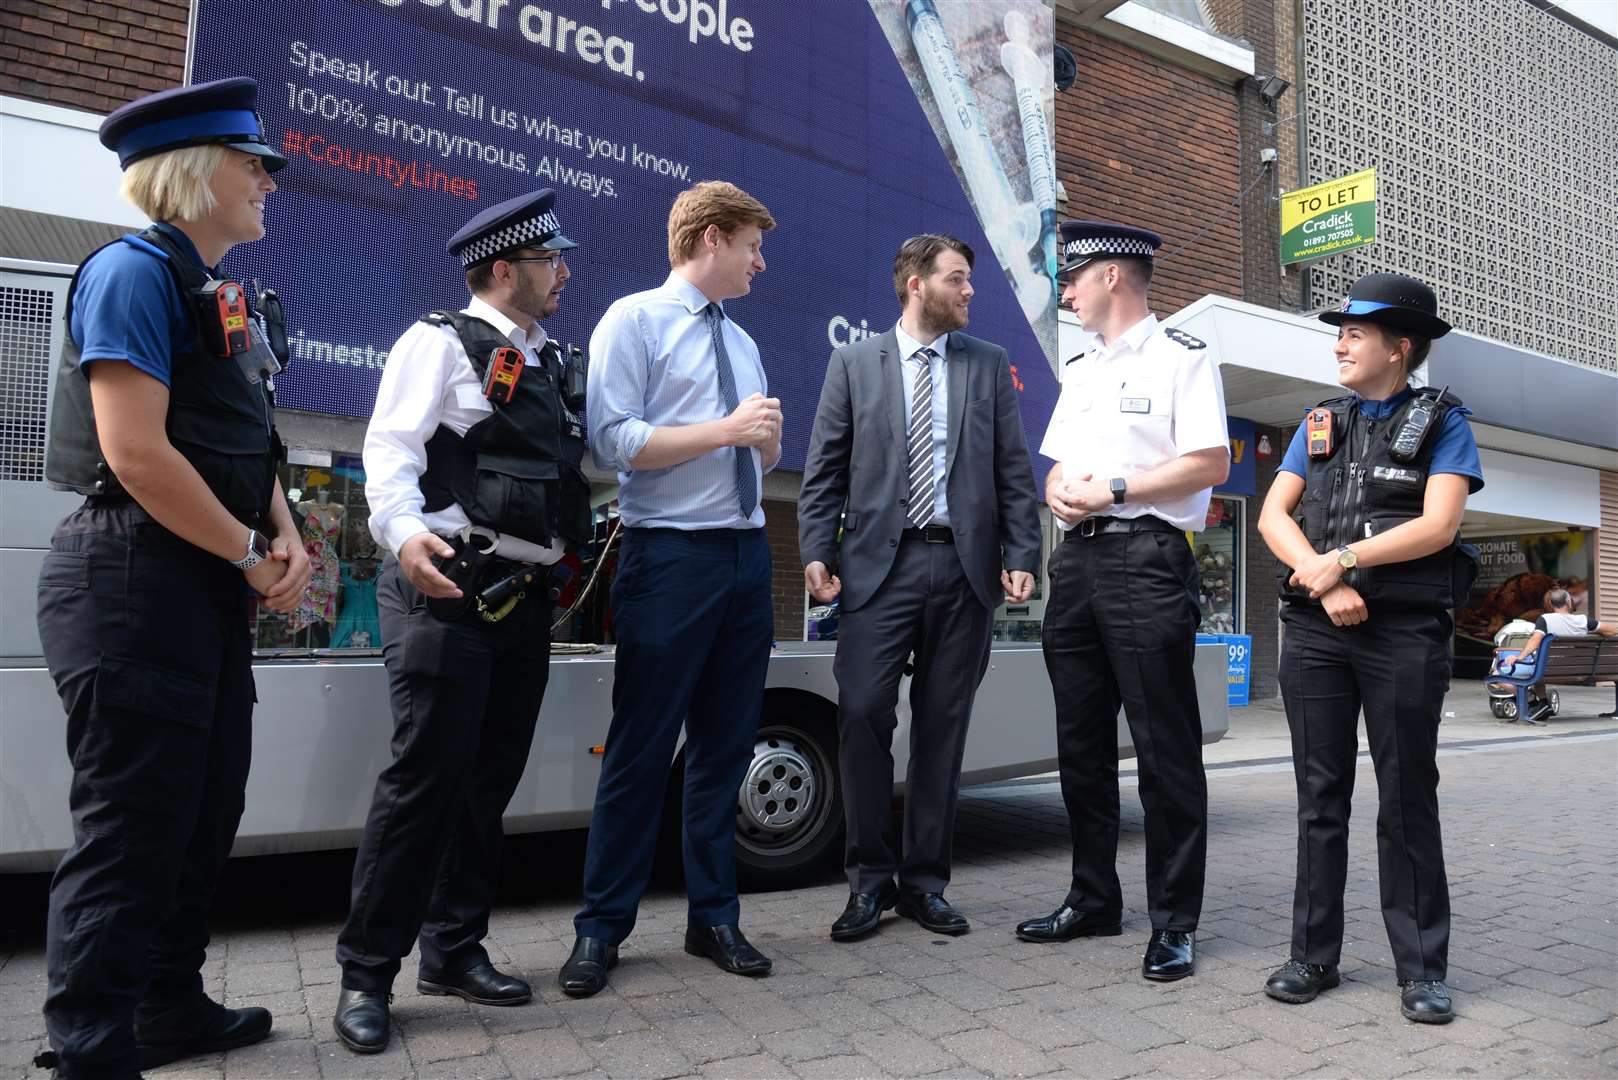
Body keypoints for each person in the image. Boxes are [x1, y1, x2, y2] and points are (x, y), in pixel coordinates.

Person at [35, 77, 308, 1079]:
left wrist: (283, 536)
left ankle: (167, 1008)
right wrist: (245, 552)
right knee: (132, 828)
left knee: (201, 814)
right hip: (130, 579)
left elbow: (245, 444)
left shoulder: (217, 296)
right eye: (254, 163)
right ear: (196, 170)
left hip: (194, 588)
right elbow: (137, 454)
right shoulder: (132, 273)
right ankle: (89, 1046)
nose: (270, 180)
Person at [333, 190, 593, 1052]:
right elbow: (388, 453)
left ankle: (453, 950)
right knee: (423, 783)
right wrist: (405, 540)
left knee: (487, 783)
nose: (564, 272)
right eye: (552, 260)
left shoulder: (553, 361)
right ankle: (366, 976)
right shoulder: (438, 341)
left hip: (521, 602)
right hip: (445, 585)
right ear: (506, 267)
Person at [561, 181, 782, 997]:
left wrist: (759, 447)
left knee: (726, 747)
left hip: (745, 559)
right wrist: (729, 431)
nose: (761, 263)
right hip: (669, 559)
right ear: (711, 239)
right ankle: (600, 930)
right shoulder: (634, 320)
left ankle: (713, 917)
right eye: (753, 246)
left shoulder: (746, 343)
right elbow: (613, 439)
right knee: (642, 749)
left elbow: (746, 456)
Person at [799, 234, 1041, 941]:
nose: (970, 292)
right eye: (958, 279)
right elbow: (824, 469)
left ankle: (925, 885)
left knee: (944, 727)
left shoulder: (988, 365)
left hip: (963, 570)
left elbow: (1012, 470)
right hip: (879, 568)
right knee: (864, 713)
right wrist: (816, 550)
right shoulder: (853, 364)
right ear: (916, 285)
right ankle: (868, 884)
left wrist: (1023, 550)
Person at [1257, 272, 1483, 1024]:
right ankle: (1311, 957)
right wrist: (1323, 583)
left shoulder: (1444, 419)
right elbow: (1273, 517)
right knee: (1320, 798)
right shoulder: (1320, 418)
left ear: (1402, 346)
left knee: (1406, 799)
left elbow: (1439, 526)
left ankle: (1421, 970)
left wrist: (1346, 559)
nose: (1342, 343)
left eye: (1357, 333)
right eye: (1341, 332)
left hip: (1405, 632)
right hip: (1319, 628)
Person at [1017, 221, 1229, 983]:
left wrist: (1112, 489)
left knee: (1164, 748)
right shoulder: (1082, 368)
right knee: (1080, 743)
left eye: (1071, 279)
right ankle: (1092, 897)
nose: (1065, 293)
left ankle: (1174, 921)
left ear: (1110, 277)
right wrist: (1060, 493)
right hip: (1077, 563)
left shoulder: (1182, 359)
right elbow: (1057, 468)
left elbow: (1209, 461)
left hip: (1147, 559)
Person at [1496, 589, 1616, 714]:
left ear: (1551, 604)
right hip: (1578, 669)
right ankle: (1543, 704)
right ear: (1568, 602)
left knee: (1496, 674)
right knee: (1539, 666)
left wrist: (1519, 657)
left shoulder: (1545, 619)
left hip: (1547, 670)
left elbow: (1535, 640)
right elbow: (1613, 631)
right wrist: (1591, 631)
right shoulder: (1583, 621)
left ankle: (1532, 701)